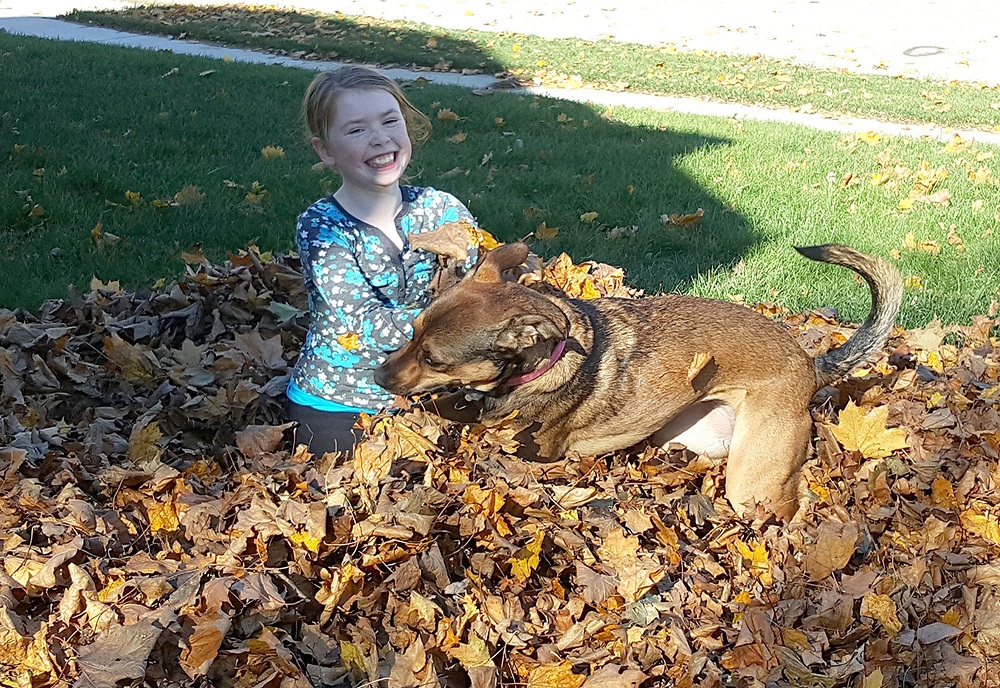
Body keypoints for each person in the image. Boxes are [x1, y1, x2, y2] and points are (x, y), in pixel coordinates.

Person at [286, 66, 481, 455]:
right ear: (325, 150)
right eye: (356, 130)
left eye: (390, 121)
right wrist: (455, 327)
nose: (379, 138)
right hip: (341, 399)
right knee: (355, 501)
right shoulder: (323, 228)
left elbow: (479, 291)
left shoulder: (442, 209)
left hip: (432, 387)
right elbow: (364, 324)